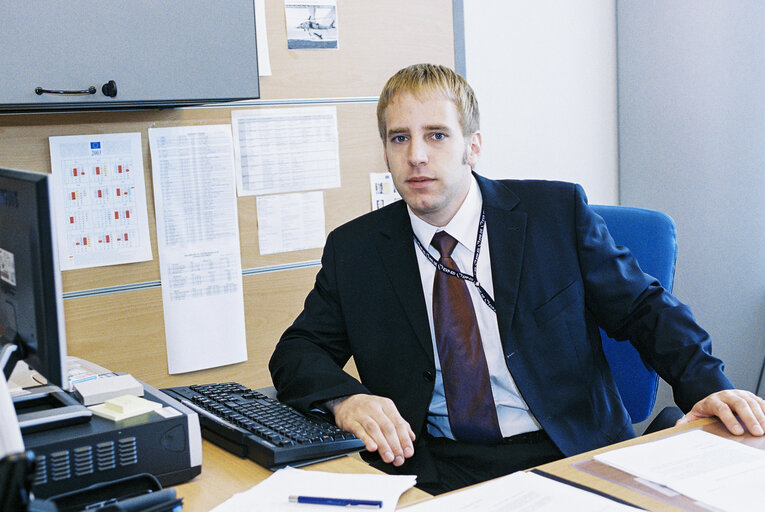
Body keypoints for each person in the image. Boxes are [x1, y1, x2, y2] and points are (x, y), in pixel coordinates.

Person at [269, 63, 765, 494]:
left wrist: (707, 385)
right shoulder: (356, 250)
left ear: (473, 145)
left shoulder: (555, 214)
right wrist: (346, 399)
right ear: (385, 151)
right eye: (400, 138)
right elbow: (297, 353)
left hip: (567, 451)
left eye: (437, 135)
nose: (417, 155)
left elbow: (643, 308)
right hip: (433, 467)